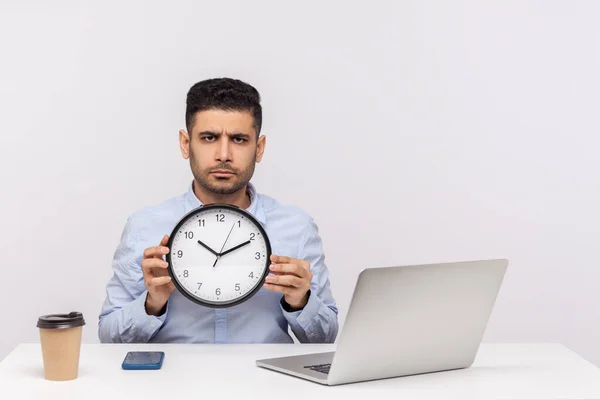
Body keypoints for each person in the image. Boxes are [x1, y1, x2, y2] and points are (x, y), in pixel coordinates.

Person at [98, 77, 339, 344]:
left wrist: (301, 301)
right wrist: (152, 303)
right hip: (172, 382)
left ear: (258, 148)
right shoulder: (144, 226)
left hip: (266, 382)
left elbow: (326, 339)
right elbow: (108, 338)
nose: (223, 154)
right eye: (209, 137)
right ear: (185, 143)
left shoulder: (297, 227)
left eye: (238, 139)